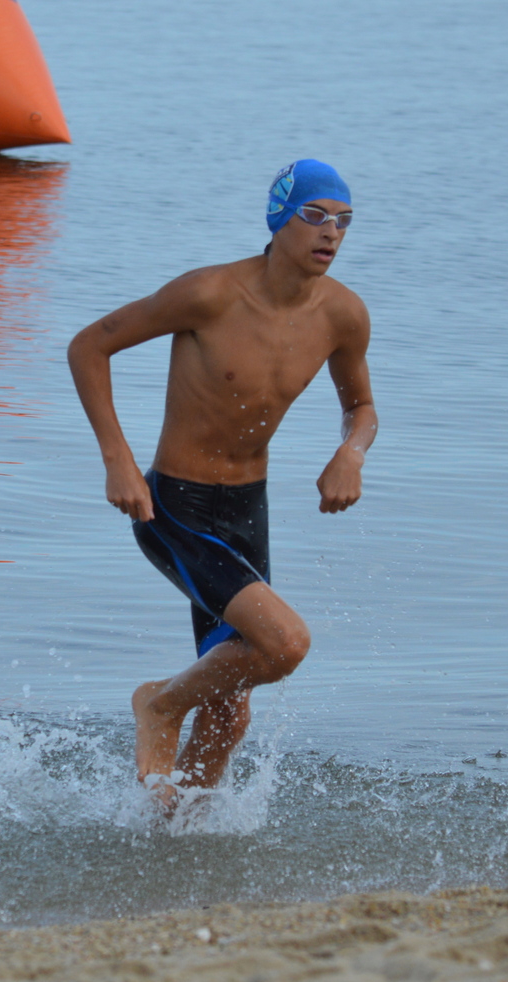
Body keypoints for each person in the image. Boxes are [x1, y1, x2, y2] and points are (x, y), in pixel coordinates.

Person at [67, 159, 378, 808]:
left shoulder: (343, 315)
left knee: (230, 715)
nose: (331, 233)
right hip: (174, 506)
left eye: (343, 221)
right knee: (285, 643)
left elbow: (362, 407)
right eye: (314, 216)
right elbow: (89, 346)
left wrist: (351, 451)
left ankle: (175, 833)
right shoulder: (209, 295)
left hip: (247, 510)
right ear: (279, 219)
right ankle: (159, 702)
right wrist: (117, 459)